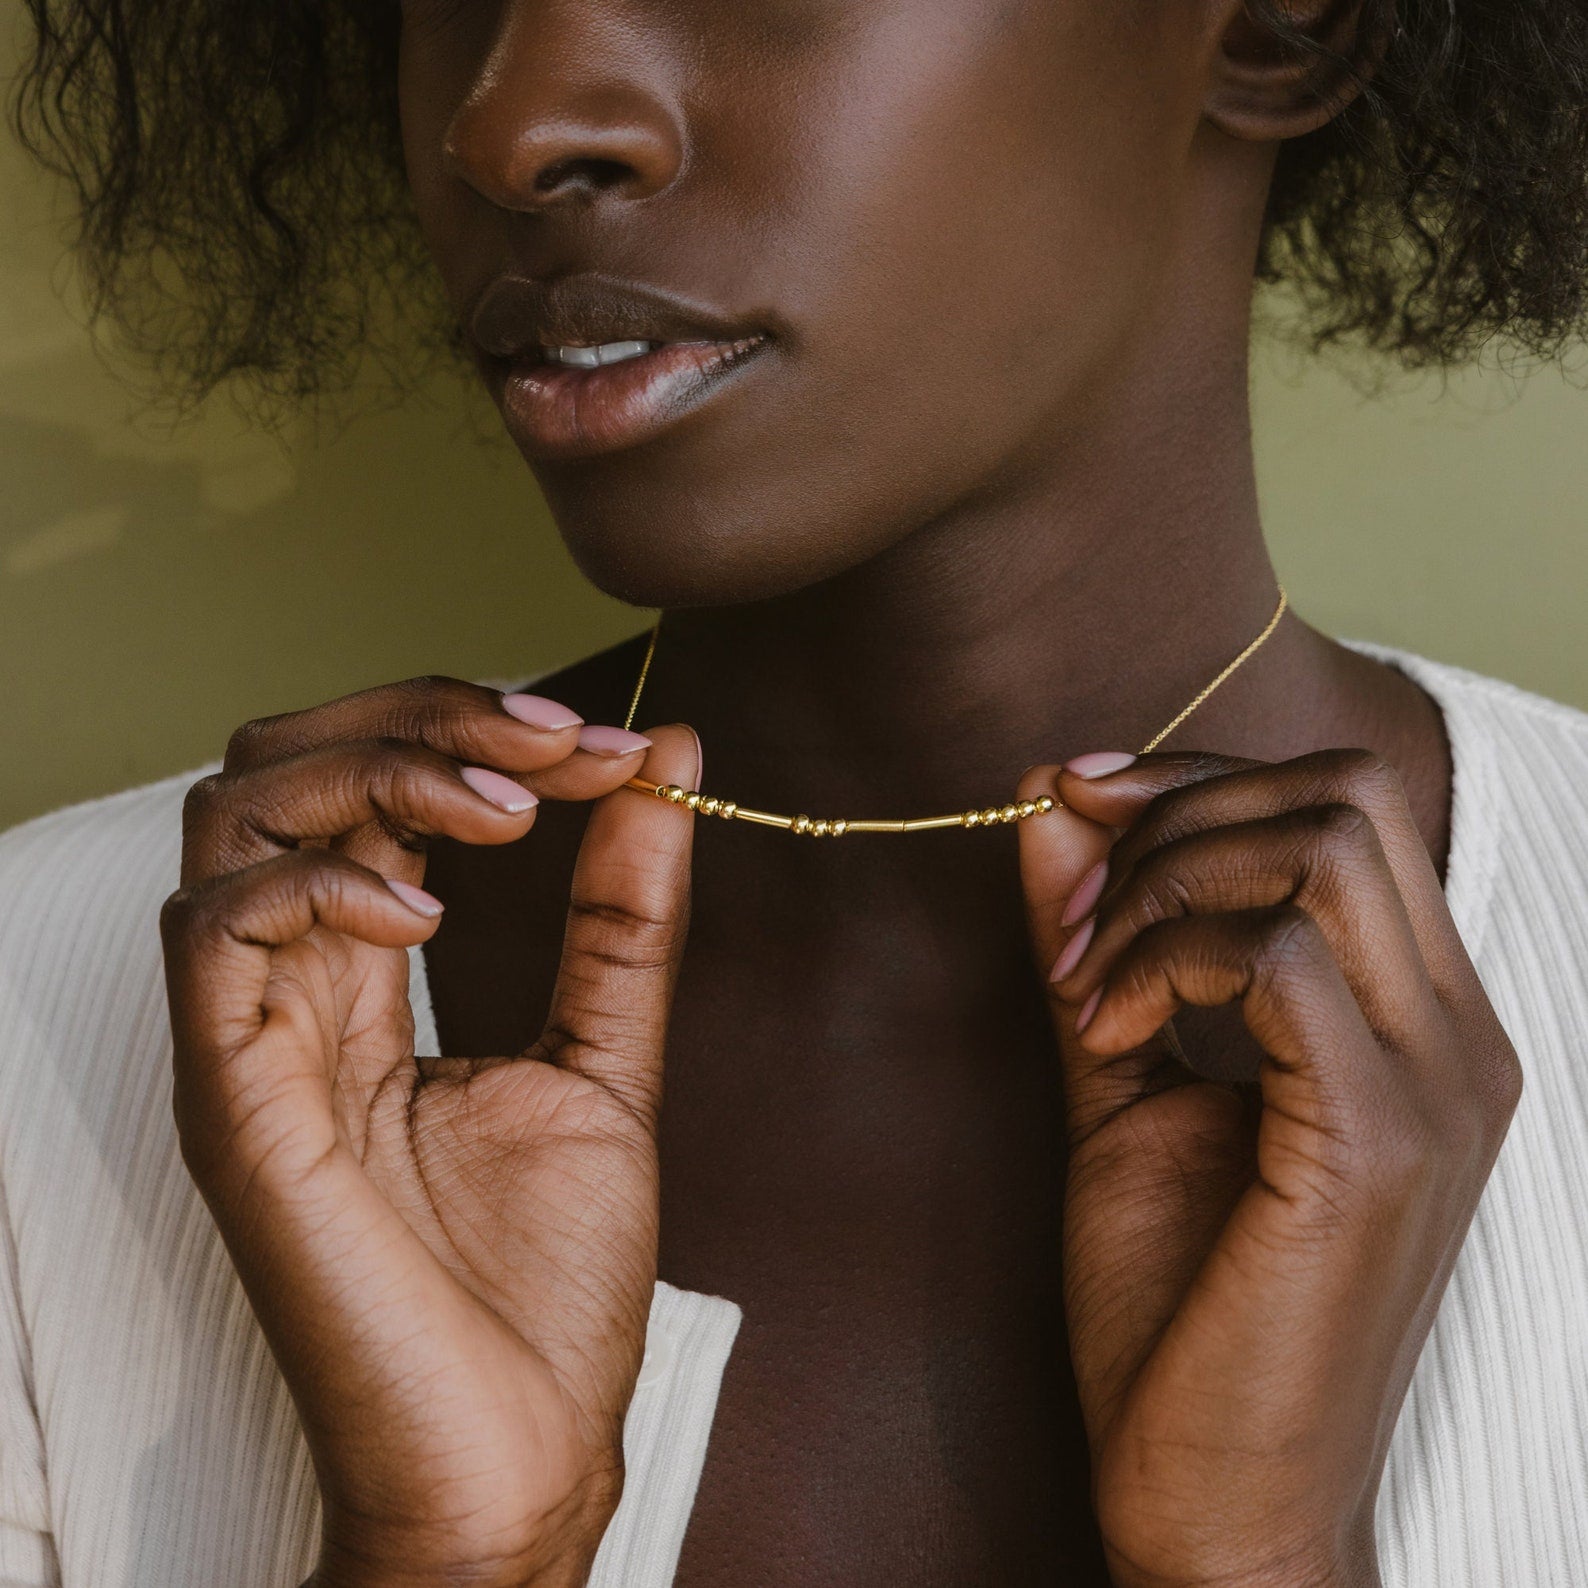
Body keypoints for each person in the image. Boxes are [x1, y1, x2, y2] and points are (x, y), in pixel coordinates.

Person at [2, 1, 1586, 1584]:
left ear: (1278, 24)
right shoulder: (37, 1036)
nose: (514, 119)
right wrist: (445, 1559)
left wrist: (1265, 1561)